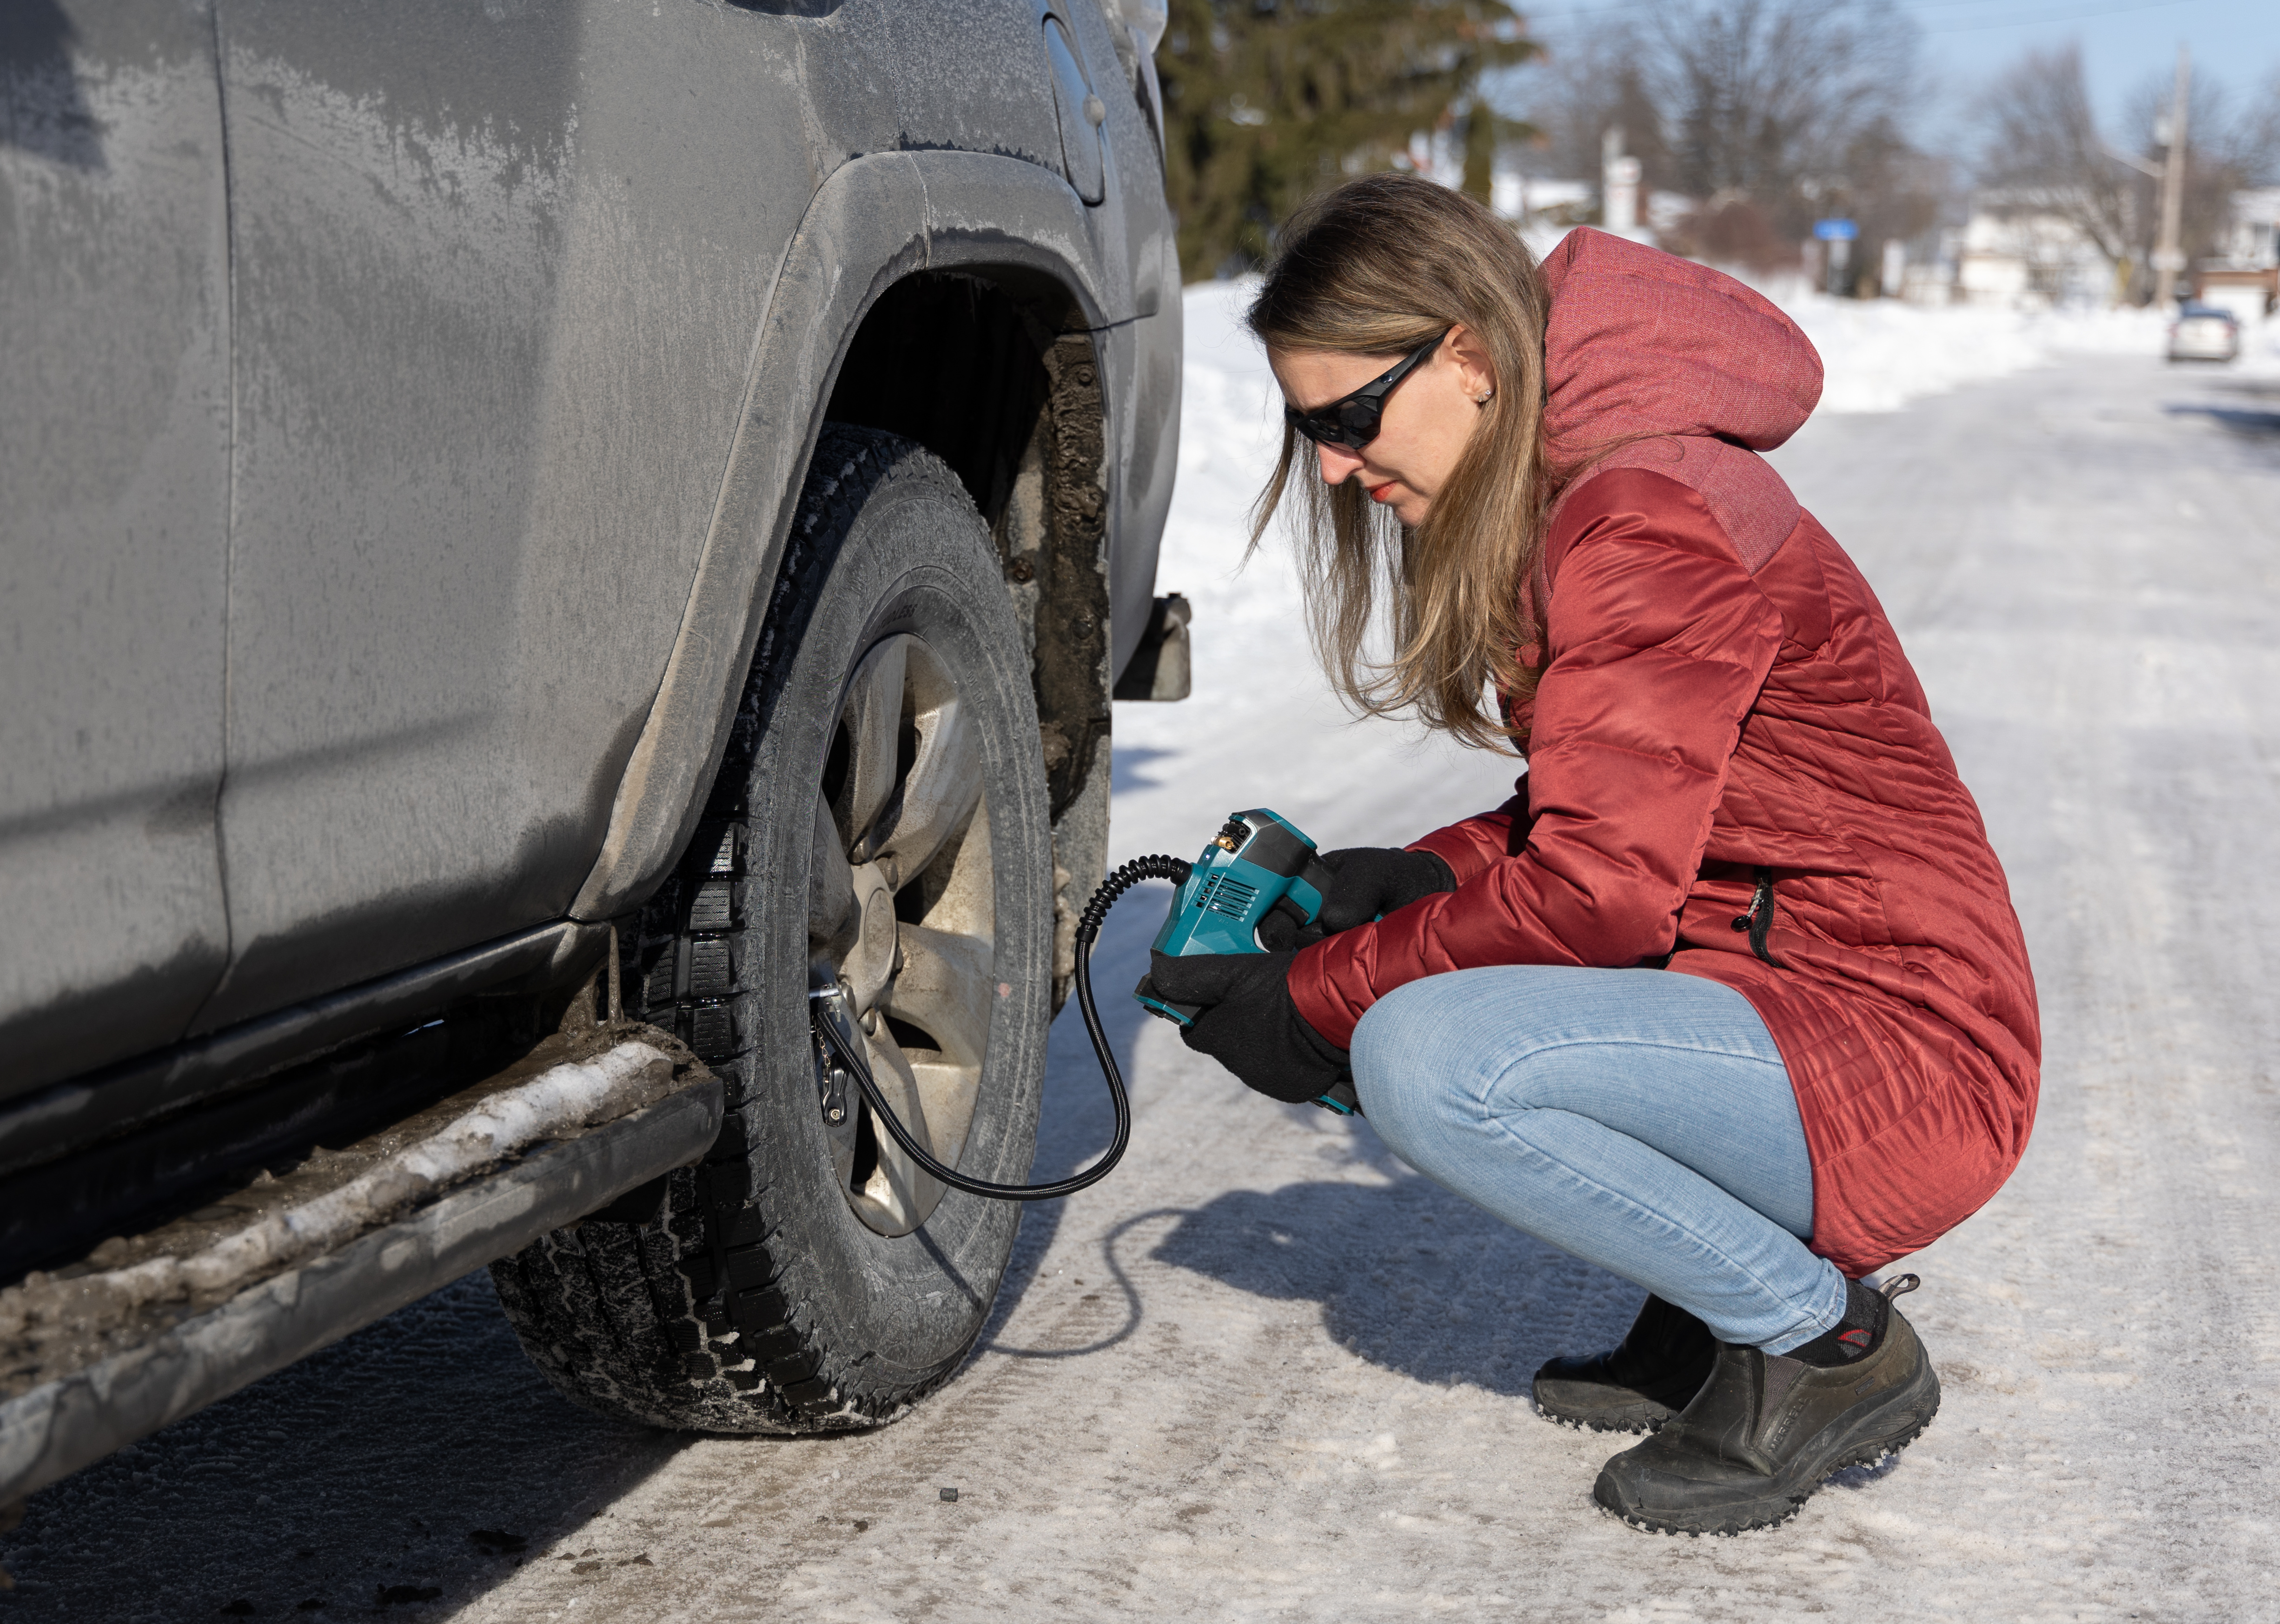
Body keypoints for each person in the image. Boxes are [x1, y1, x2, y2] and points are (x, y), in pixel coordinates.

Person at [1143, 175, 2040, 1537]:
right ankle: (1702, 1313)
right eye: (1302, 425)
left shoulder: (1639, 514)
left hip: (1900, 1051)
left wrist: (1319, 1006)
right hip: (1792, 998)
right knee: (1435, 1003)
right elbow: (1639, 803)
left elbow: (1603, 896)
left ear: (1470, 360)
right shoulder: (1604, 483)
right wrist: (1412, 880)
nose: (1331, 464)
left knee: (1430, 1059)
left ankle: (1816, 1346)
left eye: (1346, 418)